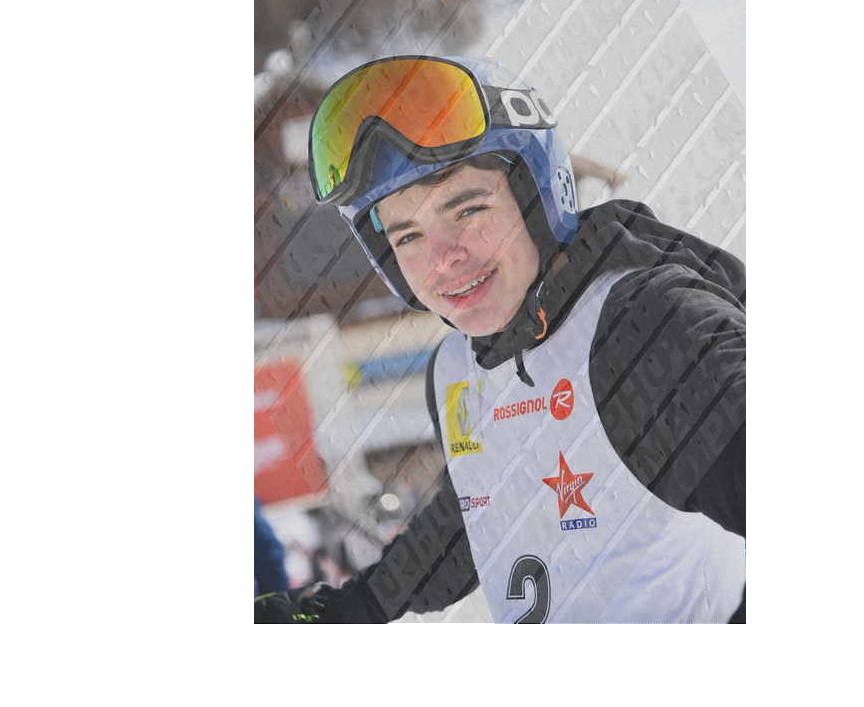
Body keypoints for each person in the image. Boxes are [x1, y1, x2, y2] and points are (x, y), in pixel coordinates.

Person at [255, 55, 745, 623]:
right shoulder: (457, 368)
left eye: (467, 210)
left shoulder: (643, 328)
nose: (443, 260)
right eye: (407, 237)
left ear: (538, 197)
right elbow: (476, 513)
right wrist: (352, 607)